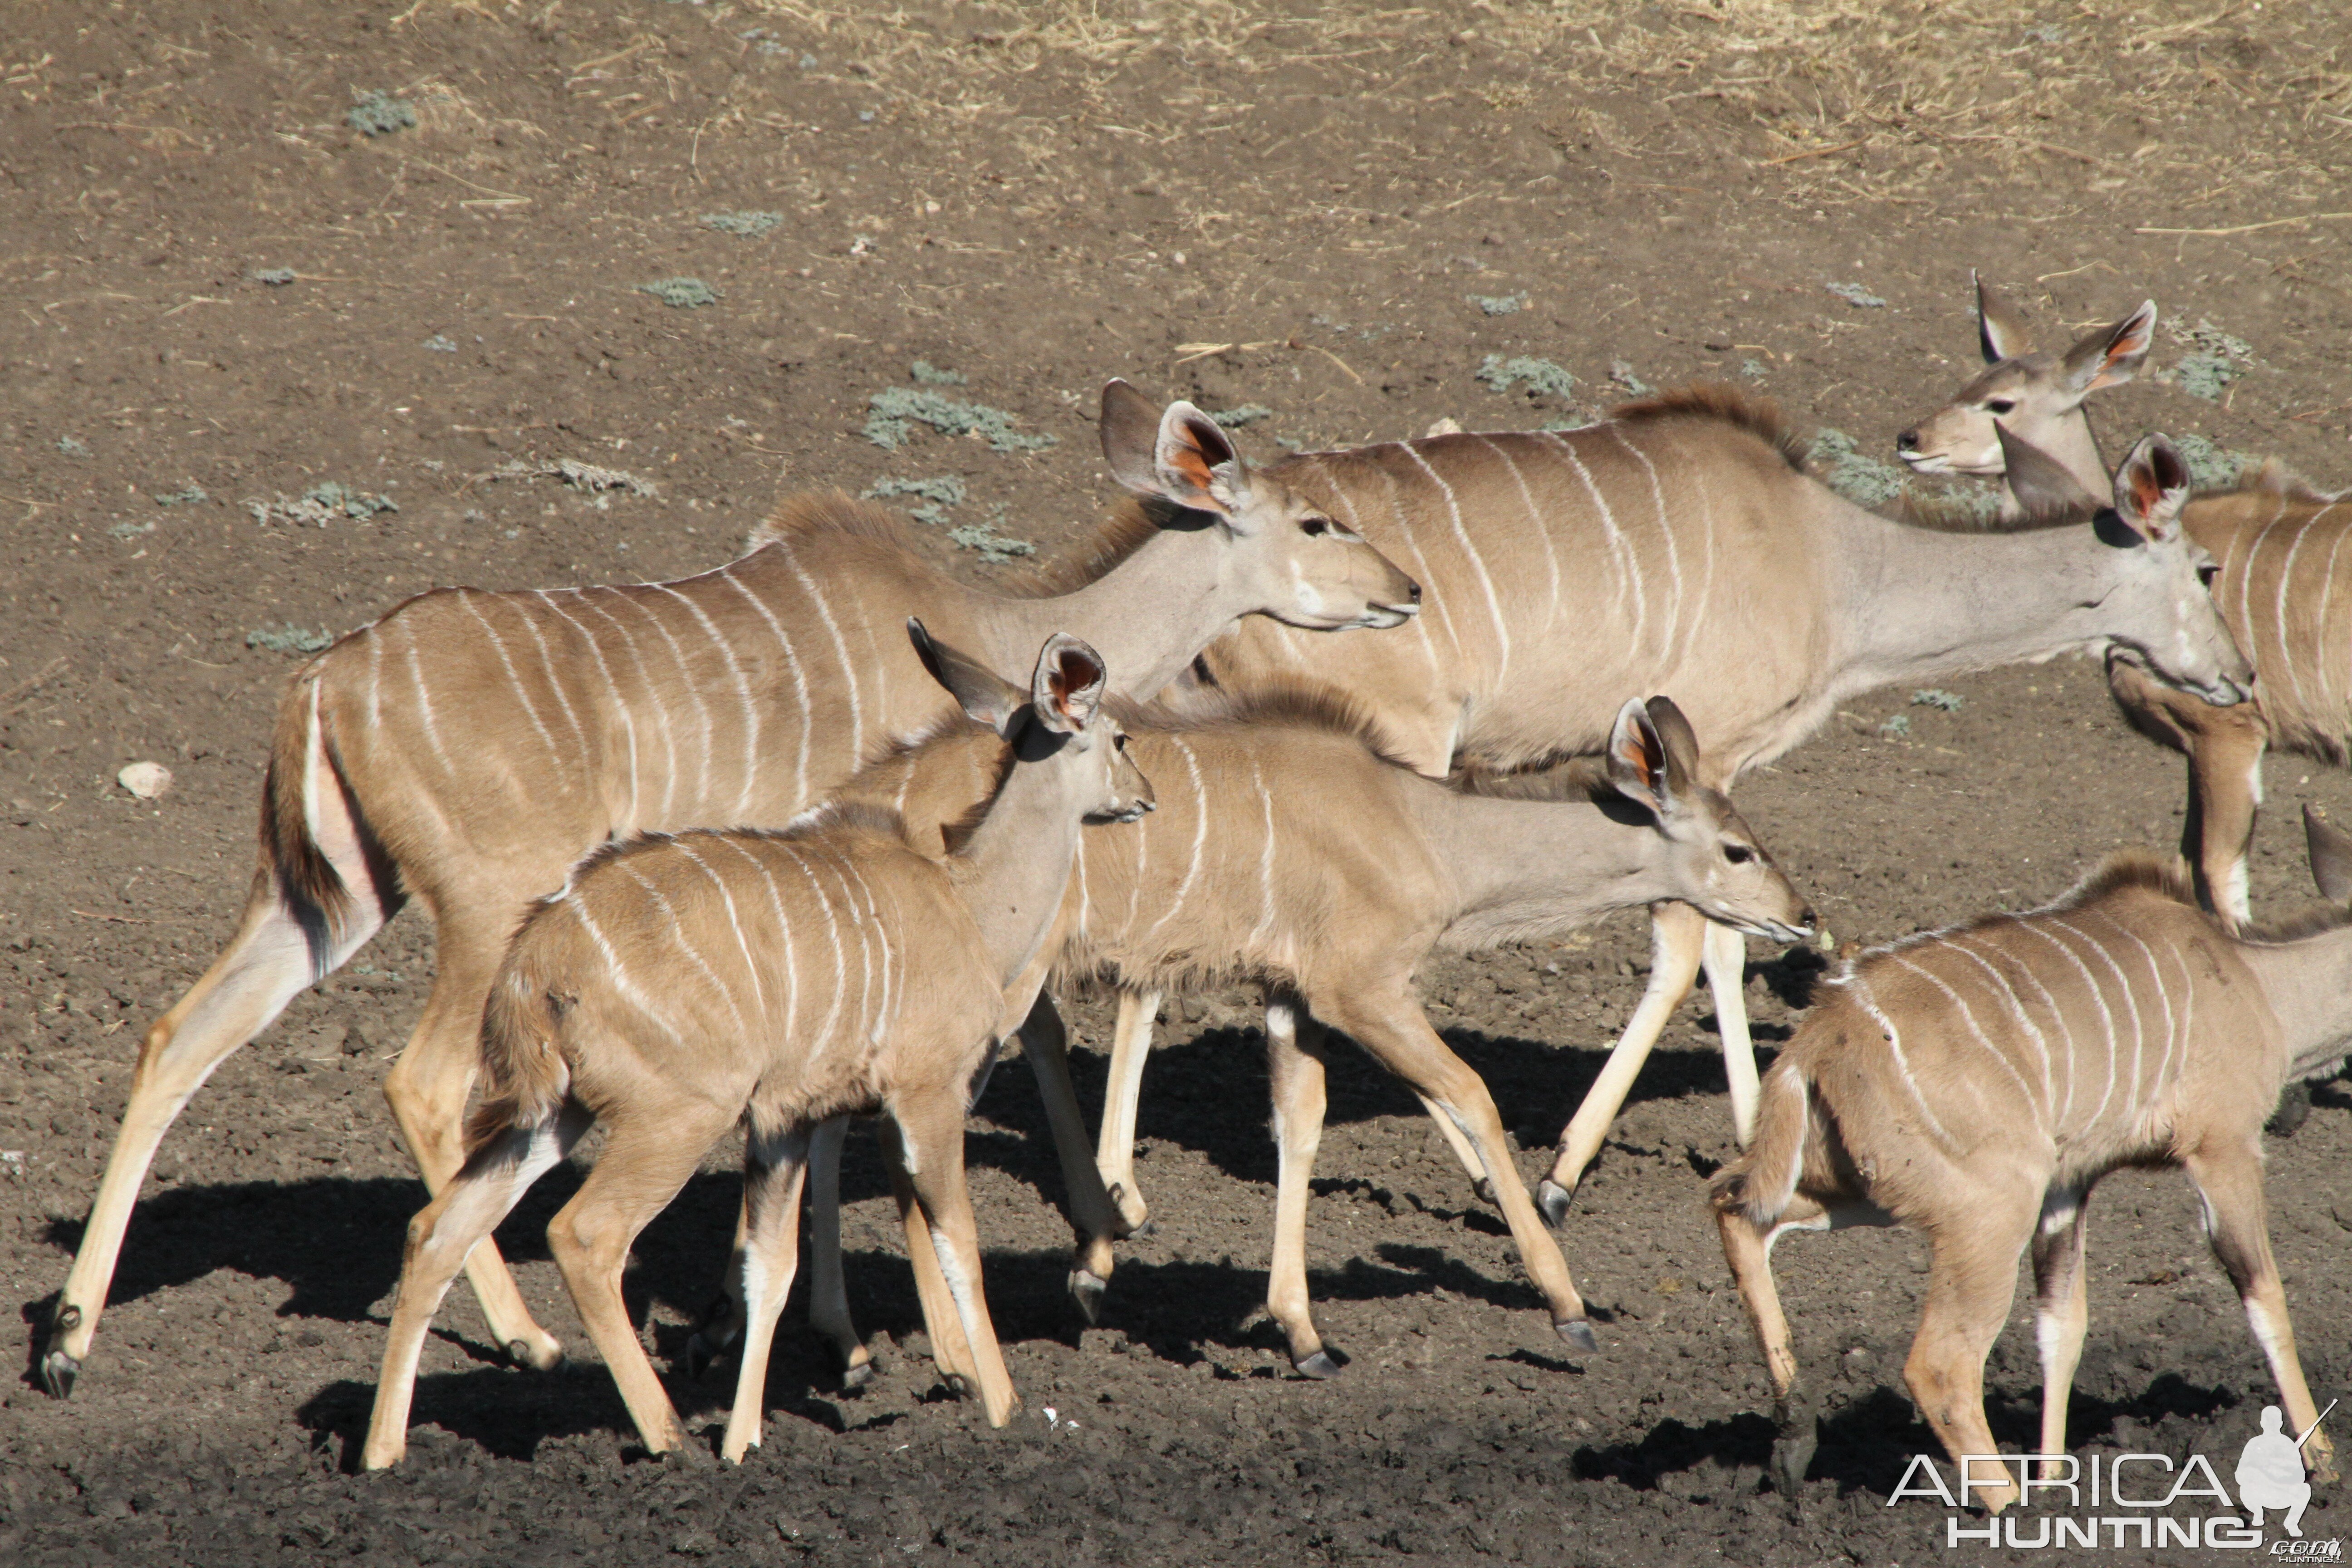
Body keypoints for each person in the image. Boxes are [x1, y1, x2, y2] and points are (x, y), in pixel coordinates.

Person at [2237, 1406, 2311, 1537]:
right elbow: (2241, 1473)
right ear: (2262, 1423)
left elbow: (2300, 1475)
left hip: (2284, 1493)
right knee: (2245, 1488)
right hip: (2259, 1493)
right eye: (2268, 1421)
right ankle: (2258, 1513)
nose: (2271, 1424)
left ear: (2280, 1424)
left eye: (2274, 1421)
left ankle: (2292, 1522)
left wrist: (2283, 1473)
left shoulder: (2288, 1444)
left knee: (2305, 1490)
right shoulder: (2255, 1444)